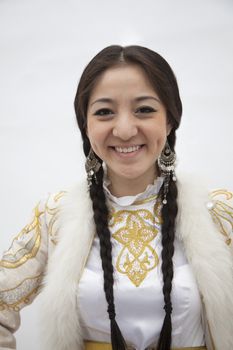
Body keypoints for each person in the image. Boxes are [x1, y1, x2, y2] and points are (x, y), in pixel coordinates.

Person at [0, 45, 233, 350]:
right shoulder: (55, 215)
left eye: (144, 109)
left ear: (170, 120)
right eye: (105, 112)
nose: (124, 130)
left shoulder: (219, 212)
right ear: (86, 125)